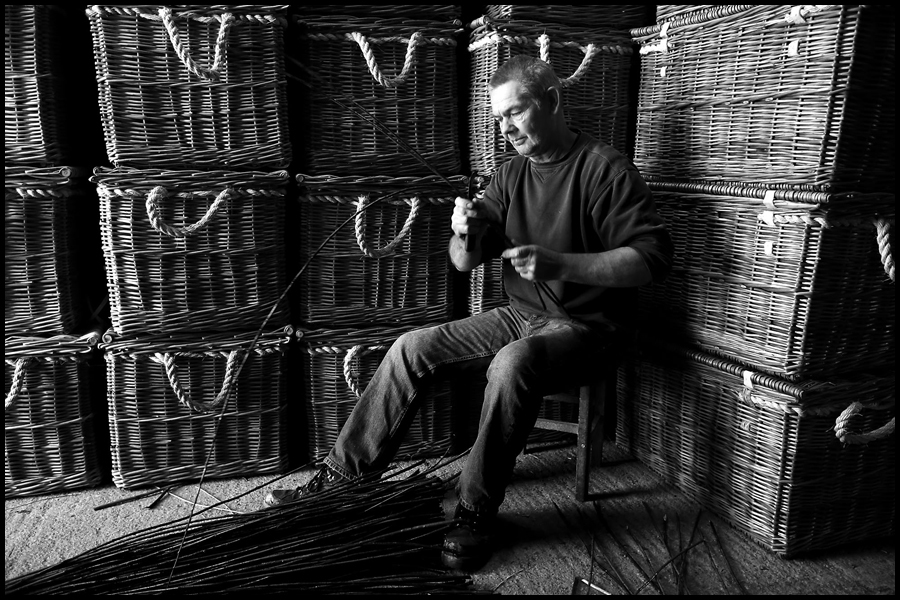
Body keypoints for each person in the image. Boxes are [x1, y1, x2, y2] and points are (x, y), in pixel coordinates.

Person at [265, 55, 674, 573]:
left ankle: (475, 511)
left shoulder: (605, 169)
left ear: (551, 101)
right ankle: (343, 483)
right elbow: (463, 263)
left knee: (512, 364)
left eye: (516, 113)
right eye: (499, 118)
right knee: (412, 347)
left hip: (590, 329)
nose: (506, 129)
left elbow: (652, 261)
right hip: (520, 314)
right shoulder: (509, 175)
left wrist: (561, 263)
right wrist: (464, 229)